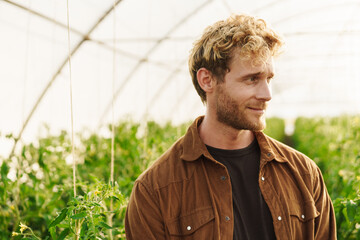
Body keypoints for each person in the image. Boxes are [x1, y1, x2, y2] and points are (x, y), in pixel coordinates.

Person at [125, 14, 336, 239]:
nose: (267, 94)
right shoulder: (156, 190)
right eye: (252, 79)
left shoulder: (304, 173)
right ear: (207, 80)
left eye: (269, 79)